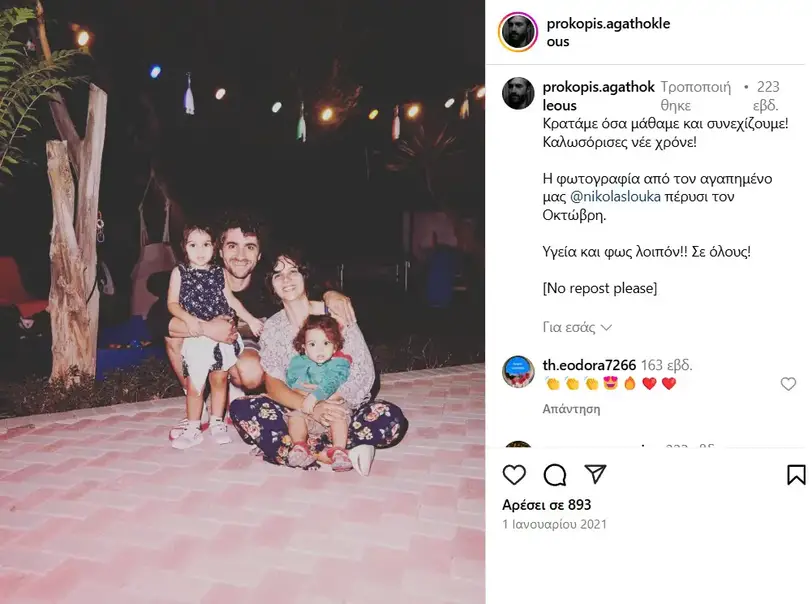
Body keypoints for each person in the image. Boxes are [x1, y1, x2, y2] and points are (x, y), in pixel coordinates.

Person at [145, 214, 356, 440]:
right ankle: (197, 404)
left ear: (259, 255)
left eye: (250, 247)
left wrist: (330, 293)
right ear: (219, 251)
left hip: (243, 348)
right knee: (174, 333)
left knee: (250, 371)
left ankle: (233, 393)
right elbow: (157, 317)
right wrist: (207, 329)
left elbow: (303, 286)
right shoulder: (201, 277)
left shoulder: (267, 284)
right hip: (204, 341)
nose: (241, 255)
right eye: (232, 246)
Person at [229, 249, 409, 475]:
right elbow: (274, 384)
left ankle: (300, 450)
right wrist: (312, 406)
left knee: (390, 419)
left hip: (341, 409)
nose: (286, 279)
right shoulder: (272, 328)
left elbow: (364, 372)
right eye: (277, 275)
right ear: (271, 285)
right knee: (242, 409)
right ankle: (333, 452)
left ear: (305, 276)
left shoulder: (336, 313)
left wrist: (327, 401)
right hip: (298, 412)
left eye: (293, 271)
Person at [167, 224, 264, 449]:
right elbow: (172, 303)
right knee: (195, 384)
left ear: (214, 248)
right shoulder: (180, 272)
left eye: (206, 244)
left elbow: (231, 301)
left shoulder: (218, 273)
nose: (200, 251)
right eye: (193, 245)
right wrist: (190, 320)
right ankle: (193, 427)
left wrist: (250, 319)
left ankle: (217, 422)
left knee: (219, 380)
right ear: (184, 248)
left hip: (221, 338)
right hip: (197, 337)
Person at [285, 314, 353, 471]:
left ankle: (338, 451)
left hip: (330, 408)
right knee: (294, 417)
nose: (320, 350)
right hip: (306, 411)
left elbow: (332, 382)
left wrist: (315, 396)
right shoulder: (298, 362)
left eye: (326, 343)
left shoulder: (339, 363)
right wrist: (303, 395)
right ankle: (300, 447)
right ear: (304, 347)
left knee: (338, 416)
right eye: (313, 344)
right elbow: (292, 382)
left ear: (335, 346)